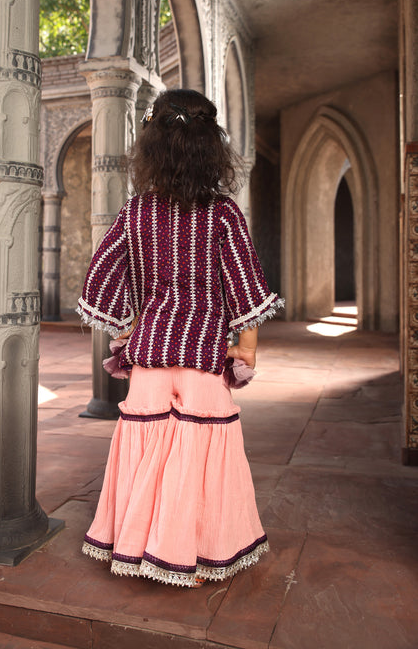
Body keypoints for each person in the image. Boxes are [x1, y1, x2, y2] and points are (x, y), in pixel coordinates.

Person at [77, 88, 283, 588]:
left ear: (150, 146)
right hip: (203, 357)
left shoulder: (135, 213)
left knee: (148, 450)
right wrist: (247, 350)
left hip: (150, 357)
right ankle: (191, 556)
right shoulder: (223, 214)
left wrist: (130, 324)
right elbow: (246, 287)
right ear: (211, 147)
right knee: (197, 453)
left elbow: (102, 274)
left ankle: (136, 546)